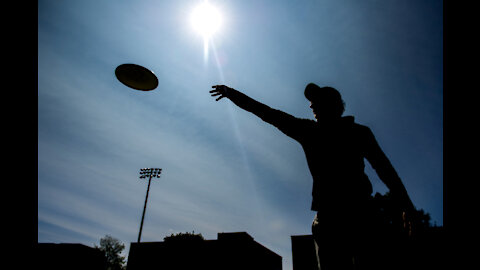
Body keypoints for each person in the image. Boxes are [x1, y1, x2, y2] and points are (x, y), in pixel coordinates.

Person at [209, 83, 415, 270]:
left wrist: (407, 207)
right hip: (330, 219)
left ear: (333, 105)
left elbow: (385, 170)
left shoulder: (355, 133)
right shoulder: (310, 130)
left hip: (359, 215)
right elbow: (267, 113)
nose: (311, 107)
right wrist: (231, 93)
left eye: (316, 102)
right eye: (311, 103)